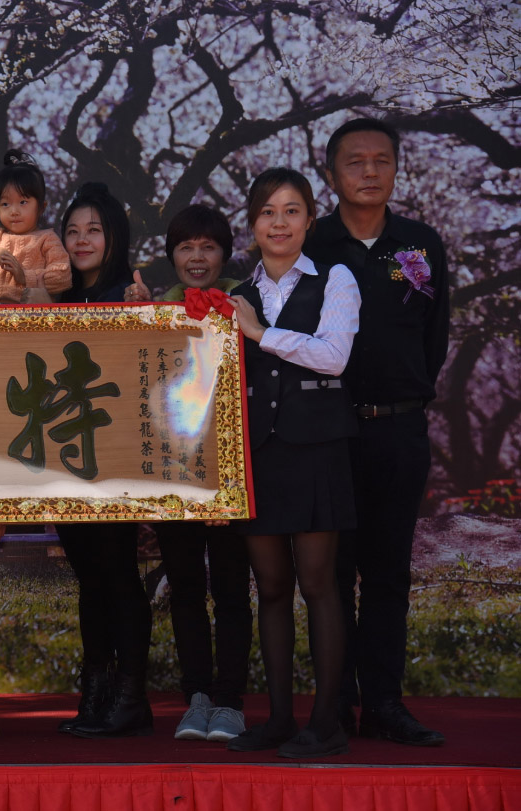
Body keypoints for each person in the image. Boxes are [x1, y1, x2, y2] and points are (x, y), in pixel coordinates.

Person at [306, 118, 449, 747]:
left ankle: (385, 703)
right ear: (330, 174)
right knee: (331, 572)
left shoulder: (420, 245)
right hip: (328, 432)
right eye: (355, 162)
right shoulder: (312, 244)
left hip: (398, 431)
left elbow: (434, 338)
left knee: (389, 570)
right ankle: (335, 702)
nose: (370, 172)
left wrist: (403, 398)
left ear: (396, 169)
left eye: (382, 161)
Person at [225, 167, 360, 759]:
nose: (278, 223)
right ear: (251, 224)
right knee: (271, 587)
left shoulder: (336, 278)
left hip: (317, 452)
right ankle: (280, 719)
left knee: (318, 584)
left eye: (291, 211)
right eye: (266, 213)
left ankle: (326, 722)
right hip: (258, 455)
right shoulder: (237, 294)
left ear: (310, 218)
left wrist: (258, 333)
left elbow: (333, 357)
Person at [126, 205, 253, 742]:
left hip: (231, 473)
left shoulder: (247, 302)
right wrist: (133, 319)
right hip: (179, 470)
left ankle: (230, 701)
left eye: (207, 247)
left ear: (224, 253)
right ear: (172, 255)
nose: (196, 258)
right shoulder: (161, 310)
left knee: (229, 588)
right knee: (183, 586)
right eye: (185, 248)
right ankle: (196, 695)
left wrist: (230, 478)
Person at [51, 183, 153, 739]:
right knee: (89, 575)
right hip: (66, 460)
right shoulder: (58, 302)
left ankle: (132, 693)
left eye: (94, 229)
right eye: (72, 230)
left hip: (115, 463)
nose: (82, 240)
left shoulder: (130, 294)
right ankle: (96, 690)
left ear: (114, 237)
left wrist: (147, 316)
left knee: (117, 573)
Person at [0, 149, 72, 304]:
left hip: (33, 318)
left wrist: (25, 276)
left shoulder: (47, 238)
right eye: (5, 204)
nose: (14, 211)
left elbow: (62, 277)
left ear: (41, 207)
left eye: (23, 202)